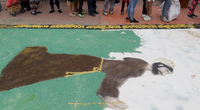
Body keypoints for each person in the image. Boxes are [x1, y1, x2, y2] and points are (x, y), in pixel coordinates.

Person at [0, 46, 174, 109]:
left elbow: (120, 76)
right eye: (165, 71)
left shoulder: (140, 67)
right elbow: (114, 74)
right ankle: (14, 73)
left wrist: (113, 93)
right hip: (91, 65)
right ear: (160, 67)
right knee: (50, 67)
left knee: (54, 64)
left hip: (92, 64)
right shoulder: (138, 65)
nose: (163, 74)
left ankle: (31, 58)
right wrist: (109, 96)